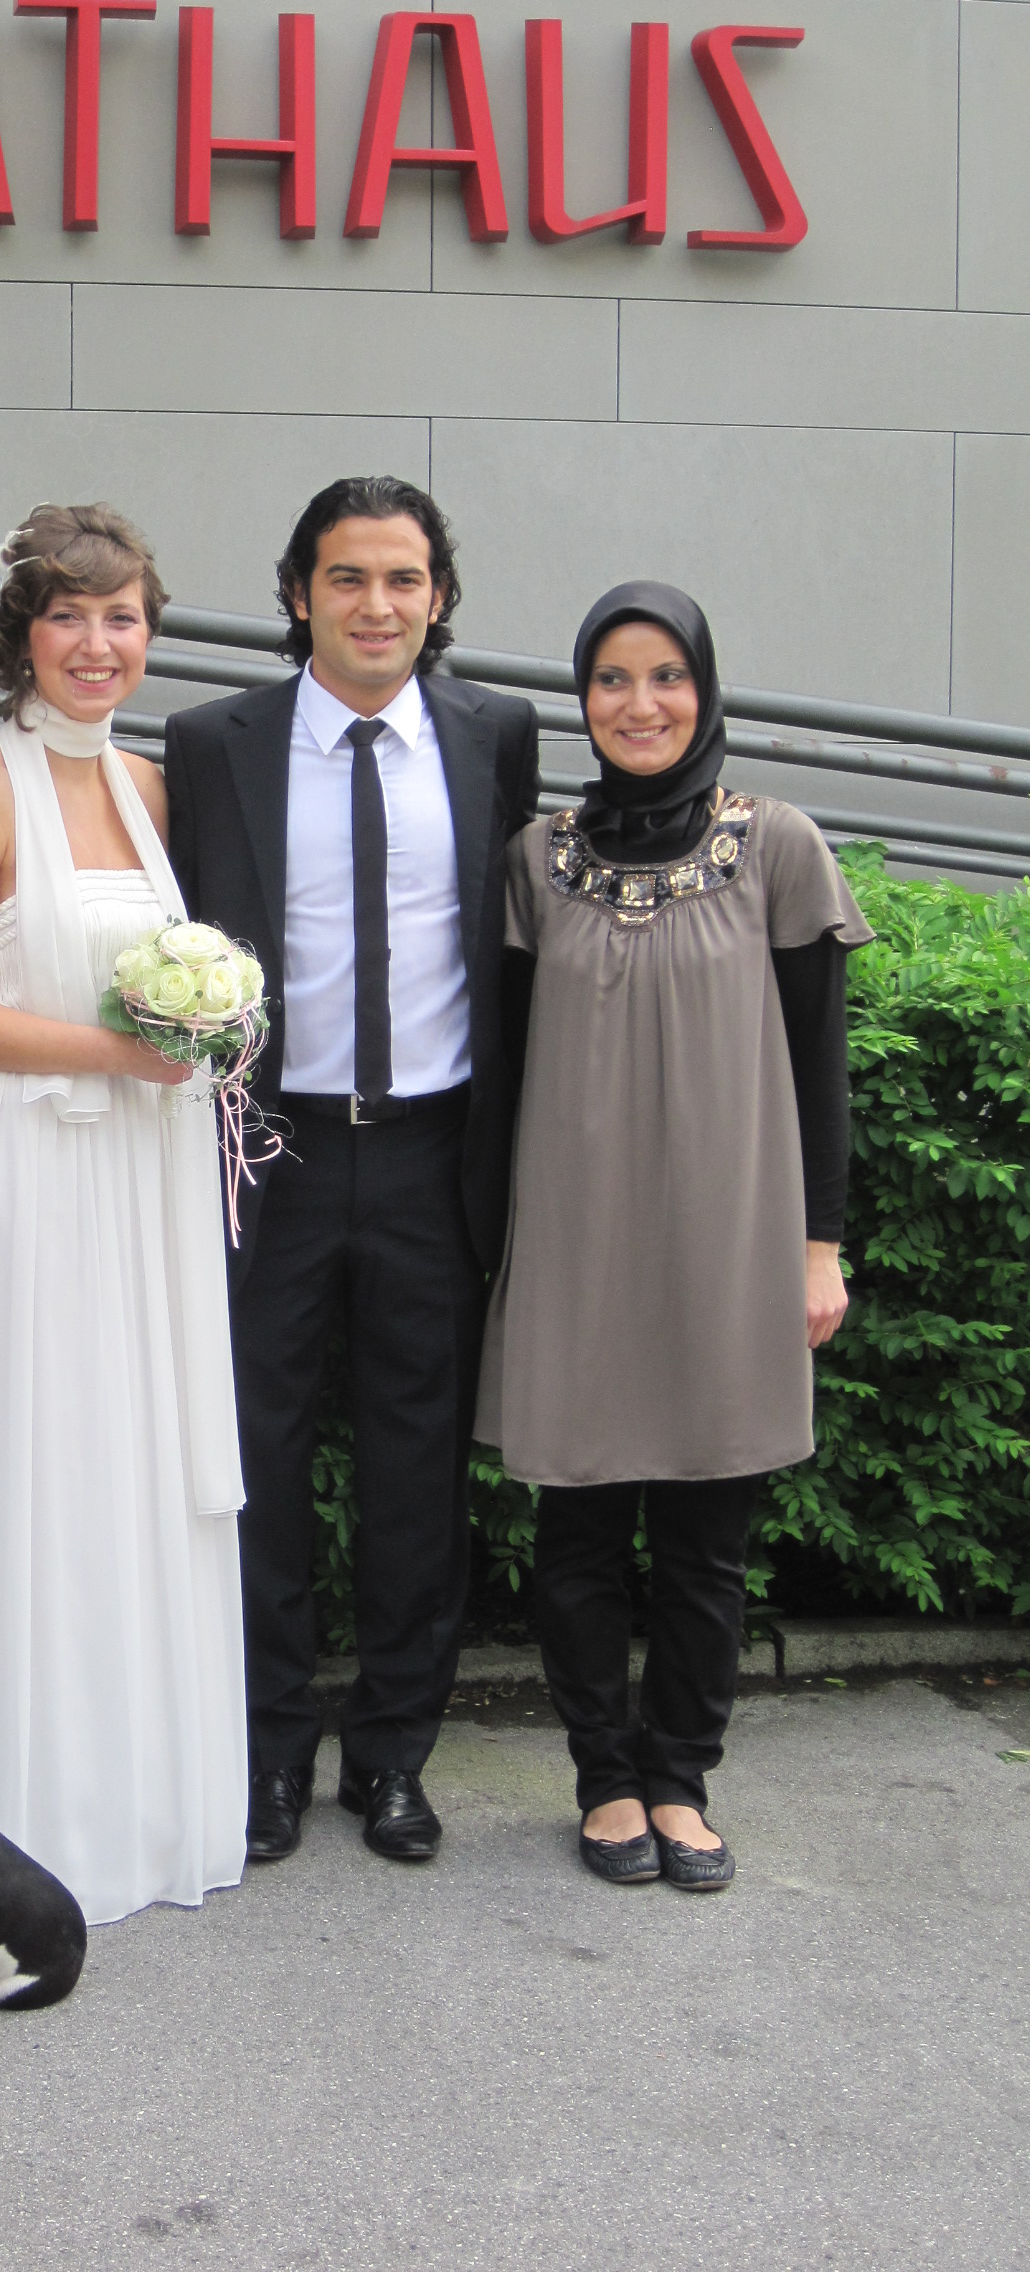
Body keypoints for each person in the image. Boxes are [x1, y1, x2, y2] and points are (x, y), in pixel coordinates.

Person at [164, 476, 541, 1865]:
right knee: (253, 1459)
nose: (376, 606)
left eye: (402, 579)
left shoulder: (498, 734)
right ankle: (268, 1753)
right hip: (271, 1152)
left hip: (436, 1154)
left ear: (437, 597)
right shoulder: (214, 745)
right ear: (298, 592)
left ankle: (393, 1757)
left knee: (417, 1472)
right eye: (346, 578)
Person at [475, 581, 872, 1891]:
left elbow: (820, 1062)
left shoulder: (777, 846)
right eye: (610, 679)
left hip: (730, 1242)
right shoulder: (537, 861)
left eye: (665, 677)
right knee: (581, 1535)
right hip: (576, 1244)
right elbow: (502, 1072)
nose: (638, 704)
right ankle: (604, 1778)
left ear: (705, 689)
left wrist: (820, 1244)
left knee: (708, 1539)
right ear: (581, 700)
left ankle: (681, 1780)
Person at [0, 503, 248, 1928]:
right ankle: (10, 1809)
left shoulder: (153, 790)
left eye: (123, 618)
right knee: (27, 1456)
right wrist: (116, 1051)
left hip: (144, 1177)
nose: (99, 645)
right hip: (23, 1171)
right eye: (70, 617)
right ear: (20, 636)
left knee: (125, 1466)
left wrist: (205, 1033)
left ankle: (137, 1800)